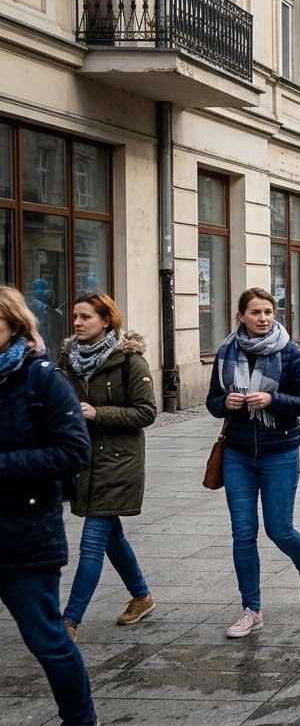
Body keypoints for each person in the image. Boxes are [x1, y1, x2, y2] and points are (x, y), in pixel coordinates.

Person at [0, 285, 97, 726]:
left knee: (45, 638)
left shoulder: (41, 379)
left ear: (13, 326)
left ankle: (80, 718)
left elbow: (73, 451)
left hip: (24, 532)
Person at [207, 287, 300, 639]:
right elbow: (212, 401)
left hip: (280, 453)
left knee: (279, 529)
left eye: (268, 311)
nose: (263, 318)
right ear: (241, 316)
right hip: (238, 454)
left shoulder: (290, 352)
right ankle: (251, 609)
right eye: (255, 312)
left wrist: (271, 399)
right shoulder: (226, 351)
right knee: (243, 533)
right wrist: (226, 403)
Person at [57, 293, 157, 638]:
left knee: (92, 541)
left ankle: (69, 621)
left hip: (118, 462)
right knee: (112, 536)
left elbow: (146, 413)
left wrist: (98, 413)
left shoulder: (130, 361)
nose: (77, 323)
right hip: (83, 462)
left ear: (106, 321)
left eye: (85, 317)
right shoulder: (67, 359)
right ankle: (141, 596)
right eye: (75, 316)